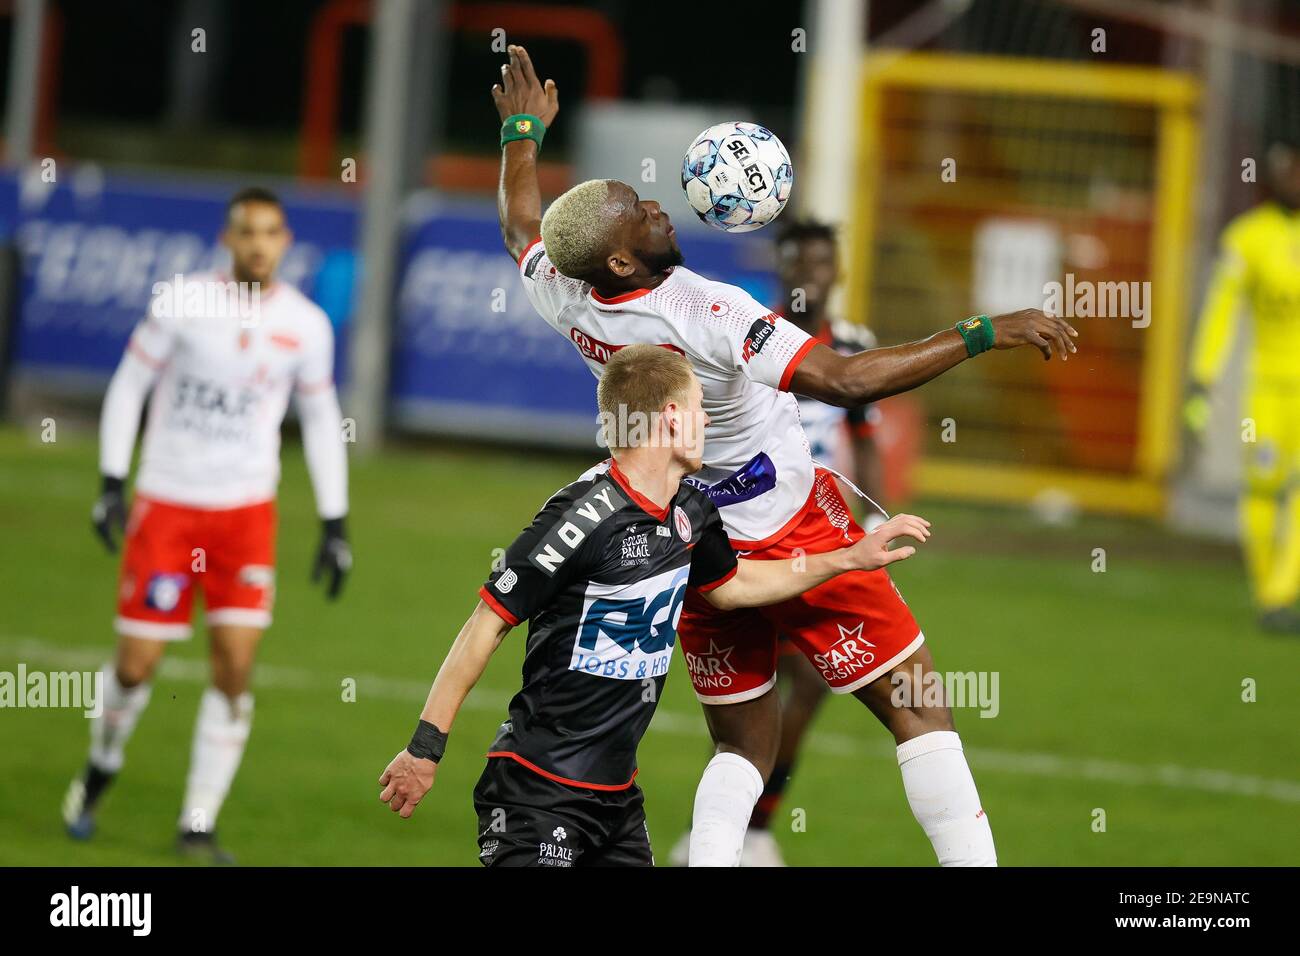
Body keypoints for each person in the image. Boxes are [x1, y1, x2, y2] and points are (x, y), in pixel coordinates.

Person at [492, 44, 1077, 866]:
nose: (660, 206)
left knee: (741, 751)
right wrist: (983, 332)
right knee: (920, 712)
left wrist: (522, 131)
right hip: (795, 526)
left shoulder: (564, 290)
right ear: (622, 259)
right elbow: (841, 379)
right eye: (641, 211)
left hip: (692, 541)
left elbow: (522, 223)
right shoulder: (709, 308)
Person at [377, 344, 930, 866]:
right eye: (699, 407)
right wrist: (425, 749)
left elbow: (731, 586)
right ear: (670, 417)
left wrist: (848, 557)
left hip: (618, 801)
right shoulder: (580, 518)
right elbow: (486, 624)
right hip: (537, 790)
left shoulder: (690, 510)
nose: (709, 421)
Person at [62, 187, 353, 863]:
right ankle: (103, 759)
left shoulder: (307, 326)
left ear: (285, 242)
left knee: (235, 666)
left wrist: (334, 522)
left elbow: (317, 420)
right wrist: (111, 480)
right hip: (166, 505)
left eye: (272, 232)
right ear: (227, 238)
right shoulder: (182, 302)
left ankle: (198, 821)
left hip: (246, 514)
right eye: (247, 231)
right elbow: (130, 385)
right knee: (137, 667)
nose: (259, 243)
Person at [668, 218, 887, 866]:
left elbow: (866, 441)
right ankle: (716, 836)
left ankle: (753, 826)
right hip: (745, 536)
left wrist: (873, 521)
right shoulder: (752, 336)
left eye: (822, 261)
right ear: (782, 267)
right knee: (745, 693)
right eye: (797, 259)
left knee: (817, 683)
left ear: (837, 270)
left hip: (819, 535)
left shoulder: (850, 344)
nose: (810, 273)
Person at [1185, 133, 1300, 634]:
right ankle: (1269, 593)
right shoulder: (1247, 237)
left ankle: (1280, 595)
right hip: (1267, 389)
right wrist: (1202, 378)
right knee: (1263, 487)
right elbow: (1220, 313)